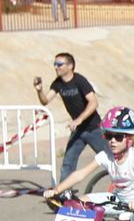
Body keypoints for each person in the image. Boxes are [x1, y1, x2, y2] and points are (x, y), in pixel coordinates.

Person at [35, 52, 107, 182]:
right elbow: (45, 101)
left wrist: (79, 119)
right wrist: (39, 90)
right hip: (78, 130)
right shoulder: (58, 83)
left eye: (59, 64)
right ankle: (63, 193)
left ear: (70, 66)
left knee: (111, 158)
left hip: (94, 128)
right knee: (68, 162)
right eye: (55, 64)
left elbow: (93, 102)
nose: (56, 67)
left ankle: (129, 185)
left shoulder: (80, 81)